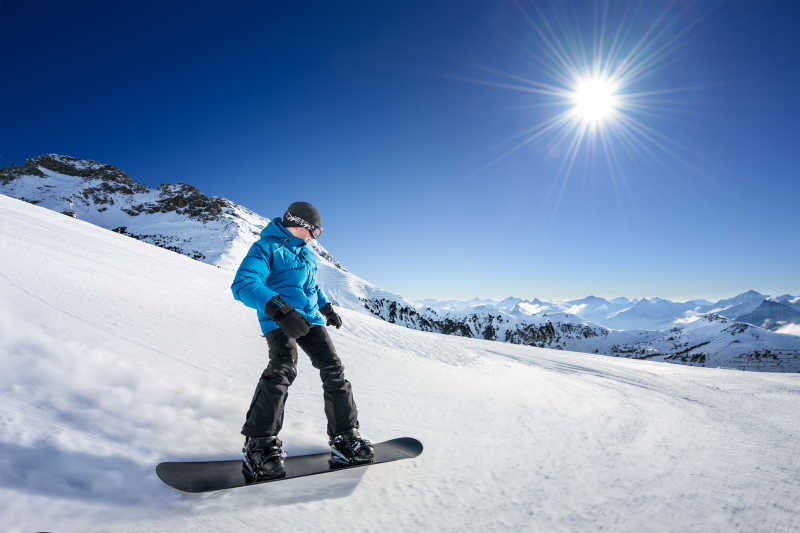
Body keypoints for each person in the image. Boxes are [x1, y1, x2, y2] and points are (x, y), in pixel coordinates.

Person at [230, 201, 374, 481]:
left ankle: (346, 437)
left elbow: (310, 286)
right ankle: (259, 443)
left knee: (333, 369)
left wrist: (326, 307)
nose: (315, 238)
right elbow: (244, 284)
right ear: (298, 224)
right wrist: (279, 310)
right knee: (283, 366)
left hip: (310, 318)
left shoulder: (306, 254)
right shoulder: (266, 248)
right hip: (279, 318)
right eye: (315, 232)